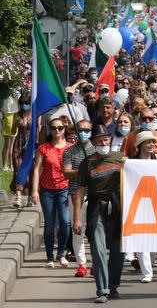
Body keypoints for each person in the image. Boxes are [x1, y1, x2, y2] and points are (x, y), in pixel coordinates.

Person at [72, 123, 125, 303]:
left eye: (106, 139)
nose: (103, 142)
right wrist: (77, 218)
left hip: (118, 207)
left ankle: (113, 285)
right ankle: (102, 290)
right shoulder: (87, 163)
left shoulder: (121, 158)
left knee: (119, 250)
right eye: (99, 140)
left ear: (110, 139)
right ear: (93, 142)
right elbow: (79, 191)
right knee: (98, 248)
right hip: (96, 207)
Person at [30, 115, 73, 268]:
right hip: (47, 190)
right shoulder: (43, 148)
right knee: (49, 224)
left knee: (65, 222)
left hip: (65, 189)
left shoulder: (70, 148)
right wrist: (34, 190)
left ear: (64, 129)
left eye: (60, 128)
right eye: (53, 128)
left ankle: (61, 253)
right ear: (49, 130)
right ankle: (49, 256)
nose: (57, 130)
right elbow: (36, 170)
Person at [62, 119, 94, 277]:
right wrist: (83, 171)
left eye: (87, 130)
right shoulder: (69, 151)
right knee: (77, 230)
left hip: (94, 195)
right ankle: (82, 264)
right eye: (81, 129)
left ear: (91, 131)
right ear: (75, 130)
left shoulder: (96, 151)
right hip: (75, 195)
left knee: (95, 231)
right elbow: (66, 172)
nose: (84, 133)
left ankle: (96, 262)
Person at [132, 131, 157, 283]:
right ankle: (147, 272)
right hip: (138, 203)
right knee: (141, 238)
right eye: (147, 142)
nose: (151, 145)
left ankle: (151, 262)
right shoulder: (131, 162)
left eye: (153, 142)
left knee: (154, 238)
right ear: (140, 145)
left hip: (156, 203)